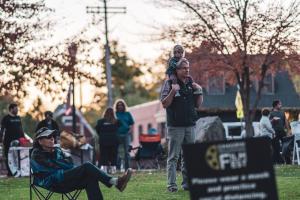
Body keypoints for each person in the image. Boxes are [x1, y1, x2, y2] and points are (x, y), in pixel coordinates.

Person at [30, 127, 132, 200]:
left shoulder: (57, 150)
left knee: (90, 178)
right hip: (53, 182)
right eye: (48, 137)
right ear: (40, 141)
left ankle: (115, 182)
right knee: (87, 166)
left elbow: (69, 164)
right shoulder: (37, 154)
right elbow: (54, 167)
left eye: (52, 136)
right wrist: (60, 160)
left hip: (64, 179)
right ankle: (115, 182)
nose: (52, 138)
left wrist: (60, 160)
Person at [160, 57, 203, 192]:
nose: (187, 70)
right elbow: (164, 104)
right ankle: (171, 185)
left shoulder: (191, 83)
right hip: (175, 127)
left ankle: (187, 184)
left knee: (189, 156)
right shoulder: (169, 83)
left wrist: (200, 90)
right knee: (173, 157)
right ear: (177, 70)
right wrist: (173, 91)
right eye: (184, 68)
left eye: (188, 68)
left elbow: (197, 105)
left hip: (190, 125)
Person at [0, 103, 25, 176]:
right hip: (8, 141)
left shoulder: (18, 118)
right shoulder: (6, 118)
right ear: (11, 109)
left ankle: (19, 171)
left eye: (17, 108)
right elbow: (2, 129)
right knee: (8, 156)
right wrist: (1, 138)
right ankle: (10, 173)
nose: (17, 110)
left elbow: (21, 129)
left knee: (18, 156)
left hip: (18, 141)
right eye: (15, 108)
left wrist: (23, 138)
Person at [95, 107, 120, 174]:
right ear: (113, 113)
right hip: (114, 141)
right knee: (113, 154)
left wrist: (103, 135)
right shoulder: (116, 121)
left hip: (103, 141)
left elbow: (97, 130)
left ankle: (104, 169)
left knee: (104, 154)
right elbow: (119, 130)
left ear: (105, 113)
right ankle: (113, 169)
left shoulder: (100, 121)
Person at [114, 99, 134, 171]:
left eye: (121, 105)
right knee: (117, 152)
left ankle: (127, 168)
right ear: (116, 106)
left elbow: (132, 124)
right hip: (117, 135)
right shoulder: (115, 114)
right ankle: (118, 167)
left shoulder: (127, 114)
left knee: (127, 152)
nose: (120, 106)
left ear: (123, 106)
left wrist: (130, 131)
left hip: (126, 134)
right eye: (118, 105)